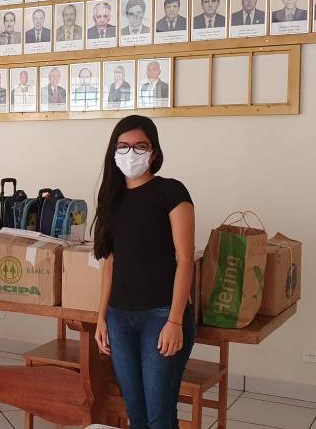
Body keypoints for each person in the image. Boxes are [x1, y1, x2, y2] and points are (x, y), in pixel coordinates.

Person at [92, 115, 196, 429]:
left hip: (161, 316)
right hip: (120, 318)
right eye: (123, 146)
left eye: (140, 146)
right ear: (113, 151)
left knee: (159, 416)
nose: (131, 153)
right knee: (135, 414)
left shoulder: (171, 192)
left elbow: (185, 260)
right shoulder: (111, 199)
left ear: (154, 152)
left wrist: (175, 321)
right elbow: (110, 264)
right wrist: (101, 317)